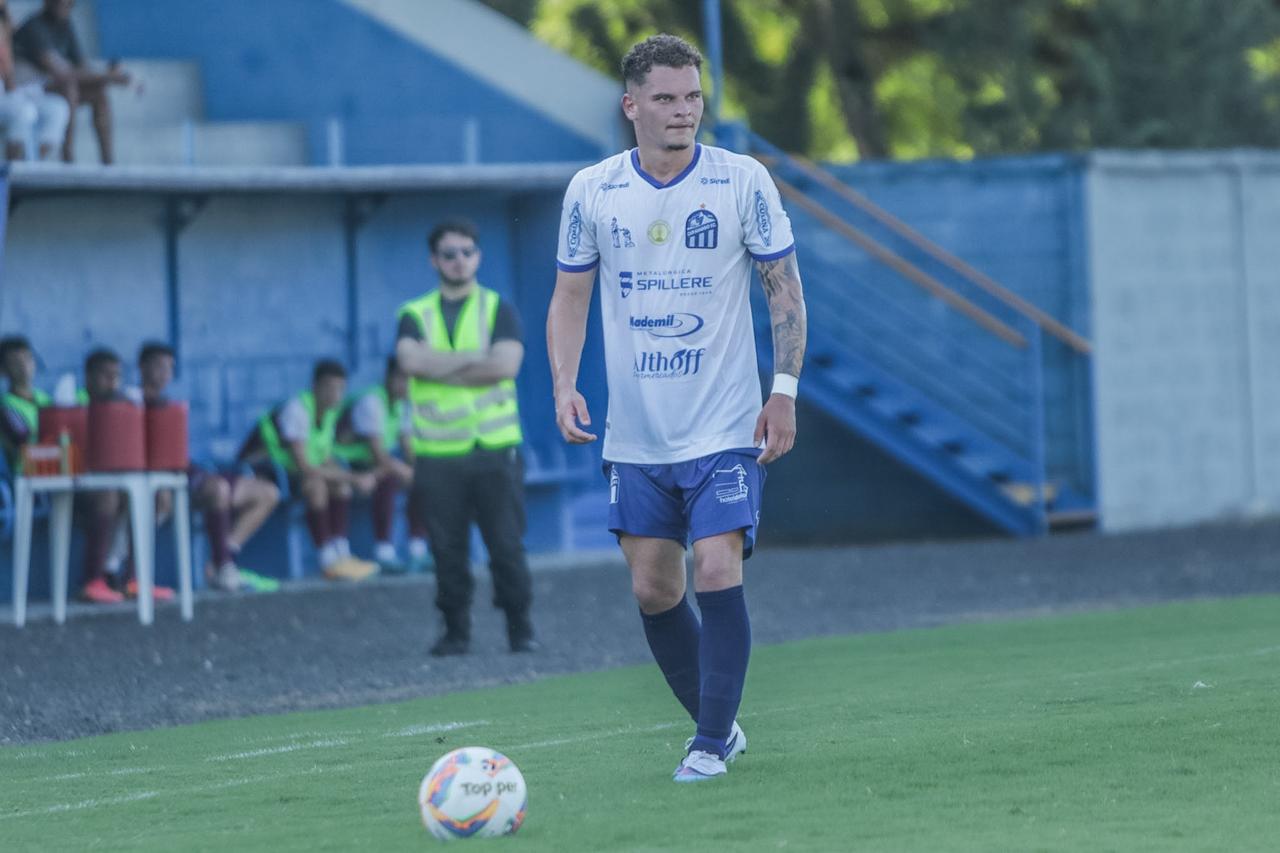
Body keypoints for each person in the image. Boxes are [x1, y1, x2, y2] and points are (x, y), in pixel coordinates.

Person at [546, 34, 808, 783]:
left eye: (693, 96)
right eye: (665, 98)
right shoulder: (593, 190)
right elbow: (570, 296)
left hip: (725, 424)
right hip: (636, 433)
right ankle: (720, 726)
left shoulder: (742, 180)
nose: (683, 110)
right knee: (654, 588)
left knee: (716, 567)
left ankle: (707, 744)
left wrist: (783, 391)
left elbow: (785, 292)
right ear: (631, 105)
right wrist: (564, 383)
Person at [396, 219, 538, 656]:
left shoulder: (499, 308)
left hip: (495, 449)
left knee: (506, 545)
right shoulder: (414, 313)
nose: (459, 261)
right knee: (446, 549)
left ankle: (520, 628)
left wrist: (438, 364)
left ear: (478, 257)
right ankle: (455, 631)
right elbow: (410, 362)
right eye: (449, 254)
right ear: (433, 260)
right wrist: (475, 360)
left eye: (467, 252)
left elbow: (505, 366)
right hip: (437, 453)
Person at [129, 342, 282, 593]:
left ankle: (223, 559)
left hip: (187, 471)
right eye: (158, 366)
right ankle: (221, 567)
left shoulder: (170, 406)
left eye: (169, 368)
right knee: (217, 490)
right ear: (142, 368)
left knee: (268, 493)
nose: (164, 373)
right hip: (157, 479)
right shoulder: (130, 403)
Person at [237, 358, 378, 581]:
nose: (335, 395)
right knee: (316, 485)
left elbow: (325, 457)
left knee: (340, 485)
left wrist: (351, 479)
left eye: (340, 389)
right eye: (330, 388)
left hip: (293, 473)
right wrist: (353, 477)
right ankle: (326, 559)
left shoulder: (329, 414)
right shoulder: (297, 409)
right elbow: (303, 466)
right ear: (316, 386)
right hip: (266, 472)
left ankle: (341, 552)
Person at [332, 355, 431, 574]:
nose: (406, 385)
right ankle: (383, 551)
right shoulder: (372, 401)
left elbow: (407, 446)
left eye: (411, 380)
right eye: (401, 379)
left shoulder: (403, 405)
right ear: (388, 377)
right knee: (389, 476)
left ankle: (417, 550)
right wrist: (406, 471)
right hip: (346, 463)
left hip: (372, 463)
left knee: (423, 476)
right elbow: (378, 454)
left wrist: (421, 470)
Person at [12, 0, 131, 164]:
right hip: (26, 89)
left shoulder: (65, 26)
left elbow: (81, 66)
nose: (67, 7)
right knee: (69, 86)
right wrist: (109, 77)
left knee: (98, 92)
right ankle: (68, 158)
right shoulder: (34, 27)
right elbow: (62, 72)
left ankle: (108, 163)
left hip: (48, 88)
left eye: (71, 4)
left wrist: (106, 75)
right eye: (62, 3)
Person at [0, 1, 69, 160]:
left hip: (7, 92)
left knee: (57, 108)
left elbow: (9, 78)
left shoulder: (5, 29)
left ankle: (33, 165)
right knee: (24, 112)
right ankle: (14, 170)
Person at [0, 334, 51, 472]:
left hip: (53, 470)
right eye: (15, 362)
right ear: (3, 370)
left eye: (28, 358)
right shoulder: (5, 406)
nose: (24, 366)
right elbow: (23, 441)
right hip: (26, 474)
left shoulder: (46, 399)